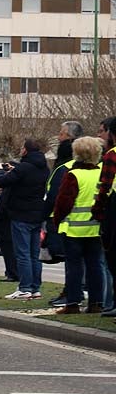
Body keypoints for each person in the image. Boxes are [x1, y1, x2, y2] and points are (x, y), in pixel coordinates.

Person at [50, 137, 106, 314]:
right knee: (95, 266)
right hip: (95, 228)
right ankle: (96, 302)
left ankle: (73, 302)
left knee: (74, 267)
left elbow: (63, 202)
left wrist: (56, 220)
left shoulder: (73, 175)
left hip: (73, 229)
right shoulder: (101, 173)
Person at [0, 139, 50, 300]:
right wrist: (15, 169)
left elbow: (2, 181)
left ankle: (25, 287)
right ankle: (35, 287)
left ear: (25, 150)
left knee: (22, 254)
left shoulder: (24, 168)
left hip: (21, 215)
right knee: (34, 254)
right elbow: (25, 175)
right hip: (37, 214)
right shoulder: (43, 168)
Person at [43, 120, 84, 275]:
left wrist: (47, 214)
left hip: (68, 220)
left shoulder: (66, 166)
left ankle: (74, 292)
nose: (58, 138)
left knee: (73, 260)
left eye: (61, 134)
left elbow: (56, 194)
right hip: (77, 221)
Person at [93, 117, 116, 316]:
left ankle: (113, 304)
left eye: (103, 131)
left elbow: (105, 188)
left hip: (112, 212)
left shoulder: (111, 155)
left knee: (112, 259)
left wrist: (98, 211)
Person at [0, 179, 18, 281]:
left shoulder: (8, 192)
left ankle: (12, 273)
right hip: (7, 226)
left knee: (9, 252)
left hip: (5, 227)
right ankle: (11, 272)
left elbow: (2, 210)